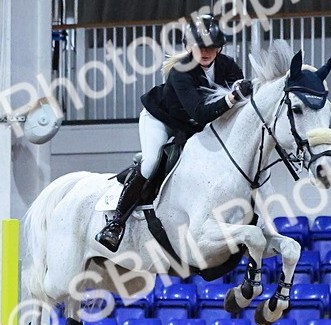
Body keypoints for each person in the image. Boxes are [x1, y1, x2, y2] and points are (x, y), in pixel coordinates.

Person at [95, 14, 252, 252]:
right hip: (161, 119)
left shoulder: (228, 66)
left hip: (191, 126)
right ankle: (116, 223)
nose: (205, 52)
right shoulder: (180, 71)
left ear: (219, 48)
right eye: (199, 46)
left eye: (211, 47)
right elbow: (201, 113)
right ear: (189, 47)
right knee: (152, 162)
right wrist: (231, 98)